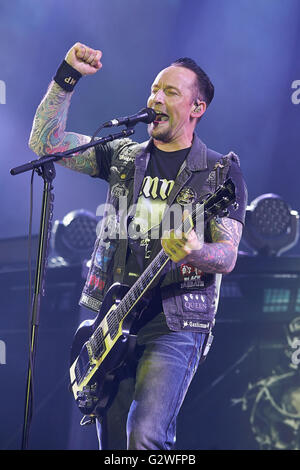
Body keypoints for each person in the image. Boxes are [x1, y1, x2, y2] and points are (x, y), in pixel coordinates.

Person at [29, 42, 247, 450]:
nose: (156, 98)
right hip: (113, 318)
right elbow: (47, 143)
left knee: (144, 434)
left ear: (197, 107)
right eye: (154, 89)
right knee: (113, 443)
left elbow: (227, 254)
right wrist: (66, 77)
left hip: (175, 321)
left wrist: (196, 251)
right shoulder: (123, 156)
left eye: (170, 92)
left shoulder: (219, 171)